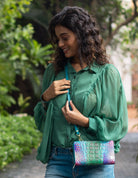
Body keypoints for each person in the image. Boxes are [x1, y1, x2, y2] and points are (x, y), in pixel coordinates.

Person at [34, 6, 128, 178]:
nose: (60, 44)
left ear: (81, 35)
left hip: (95, 161)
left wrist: (85, 121)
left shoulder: (106, 74)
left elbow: (117, 126)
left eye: (65, 38)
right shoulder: (53, 72)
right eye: (58, 39)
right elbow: (41, 123)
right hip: (59, 160)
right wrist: (45, 98)